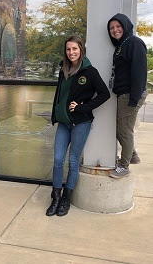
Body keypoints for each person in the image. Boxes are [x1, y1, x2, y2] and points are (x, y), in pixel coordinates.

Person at [47, 35, 110, 217]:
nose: (71, 52)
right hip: (64, 123)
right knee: (58, 160)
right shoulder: (63, 70)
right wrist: (55, 113)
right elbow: (60, 95)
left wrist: (83, 107)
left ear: (81, 50)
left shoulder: (89, 71)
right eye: (68, 49)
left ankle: (66, 198)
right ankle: (56, 197)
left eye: (75, 49)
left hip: (81, 123)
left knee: (73, 161)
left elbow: (104, 94)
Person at [107, 13, 147, 178]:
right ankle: (133, 156)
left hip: (130, 94)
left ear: (126, 26)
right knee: (120, 129)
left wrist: (133, 99)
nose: (115, 30)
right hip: (123, 94)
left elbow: (139, 73)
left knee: (123, 131)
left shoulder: (134, 43)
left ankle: (124, 166)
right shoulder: (122, 45)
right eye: (111, 28)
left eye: (118, 26)